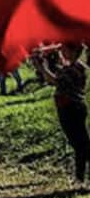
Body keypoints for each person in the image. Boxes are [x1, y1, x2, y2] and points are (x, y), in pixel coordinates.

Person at [34, 44, 89, 183]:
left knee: (80, 144)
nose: (61, 51)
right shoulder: (73, 66)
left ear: (74, 51)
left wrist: (42, 67)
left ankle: (80, 177)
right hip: (70, 108)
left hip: (71, 109)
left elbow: (54, 81)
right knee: (79, 144)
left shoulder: (75, 68)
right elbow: (55, 75)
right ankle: (79, 177)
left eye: (64, 49)